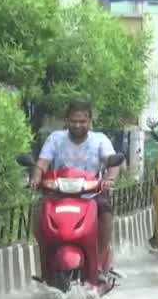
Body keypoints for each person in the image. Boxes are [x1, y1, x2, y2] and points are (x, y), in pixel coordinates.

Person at [30, 100, 119, 269]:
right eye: (73, 121)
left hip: (90, 195)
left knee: (106, 212)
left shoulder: (100, 140)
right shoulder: (55, 138)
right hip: (58, 195)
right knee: (39, 212)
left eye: (82, 122)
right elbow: (42, 163)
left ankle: (99, 261)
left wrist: (110, 179)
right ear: (67, 120)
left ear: (90, 121)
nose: (78, 125)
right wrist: (35, 178)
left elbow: (112, 162)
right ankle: (45, 261)